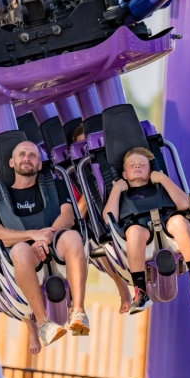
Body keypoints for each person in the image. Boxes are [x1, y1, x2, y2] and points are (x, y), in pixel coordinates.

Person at [0, 140, 90, 348]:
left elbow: (67, 217)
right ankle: (43, 323)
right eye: (22, 155)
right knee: (21, 250)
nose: (27, 159)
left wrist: (46, 237)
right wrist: (33, 236)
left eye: (32, 156)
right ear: (12, 162)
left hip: (56, 243)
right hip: (24, 252)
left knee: (73, 237)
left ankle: (78, 311)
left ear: (40, 164)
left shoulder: (56, 184)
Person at [103, 147, 190, 314]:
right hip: (139, 234)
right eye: (132, 165)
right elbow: (108, 218)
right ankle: (141, 292)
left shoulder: (161, 186)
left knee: (180, 221)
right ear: (124, 174)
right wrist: (117, 189)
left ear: (150, 171)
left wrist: (163, 179)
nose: (137, 166)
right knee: (134, 232)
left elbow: (184, 205)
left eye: (142, 164)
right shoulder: (120, 192)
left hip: (167, 228)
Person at [69, 126, 132, 315]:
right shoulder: (74, 176)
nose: (89, 152)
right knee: (99, 241)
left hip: (125, 212)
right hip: (96, 224)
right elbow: (76, 216)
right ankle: (122, 288)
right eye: (83, 147)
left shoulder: (117, 165)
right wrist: (89, 192)